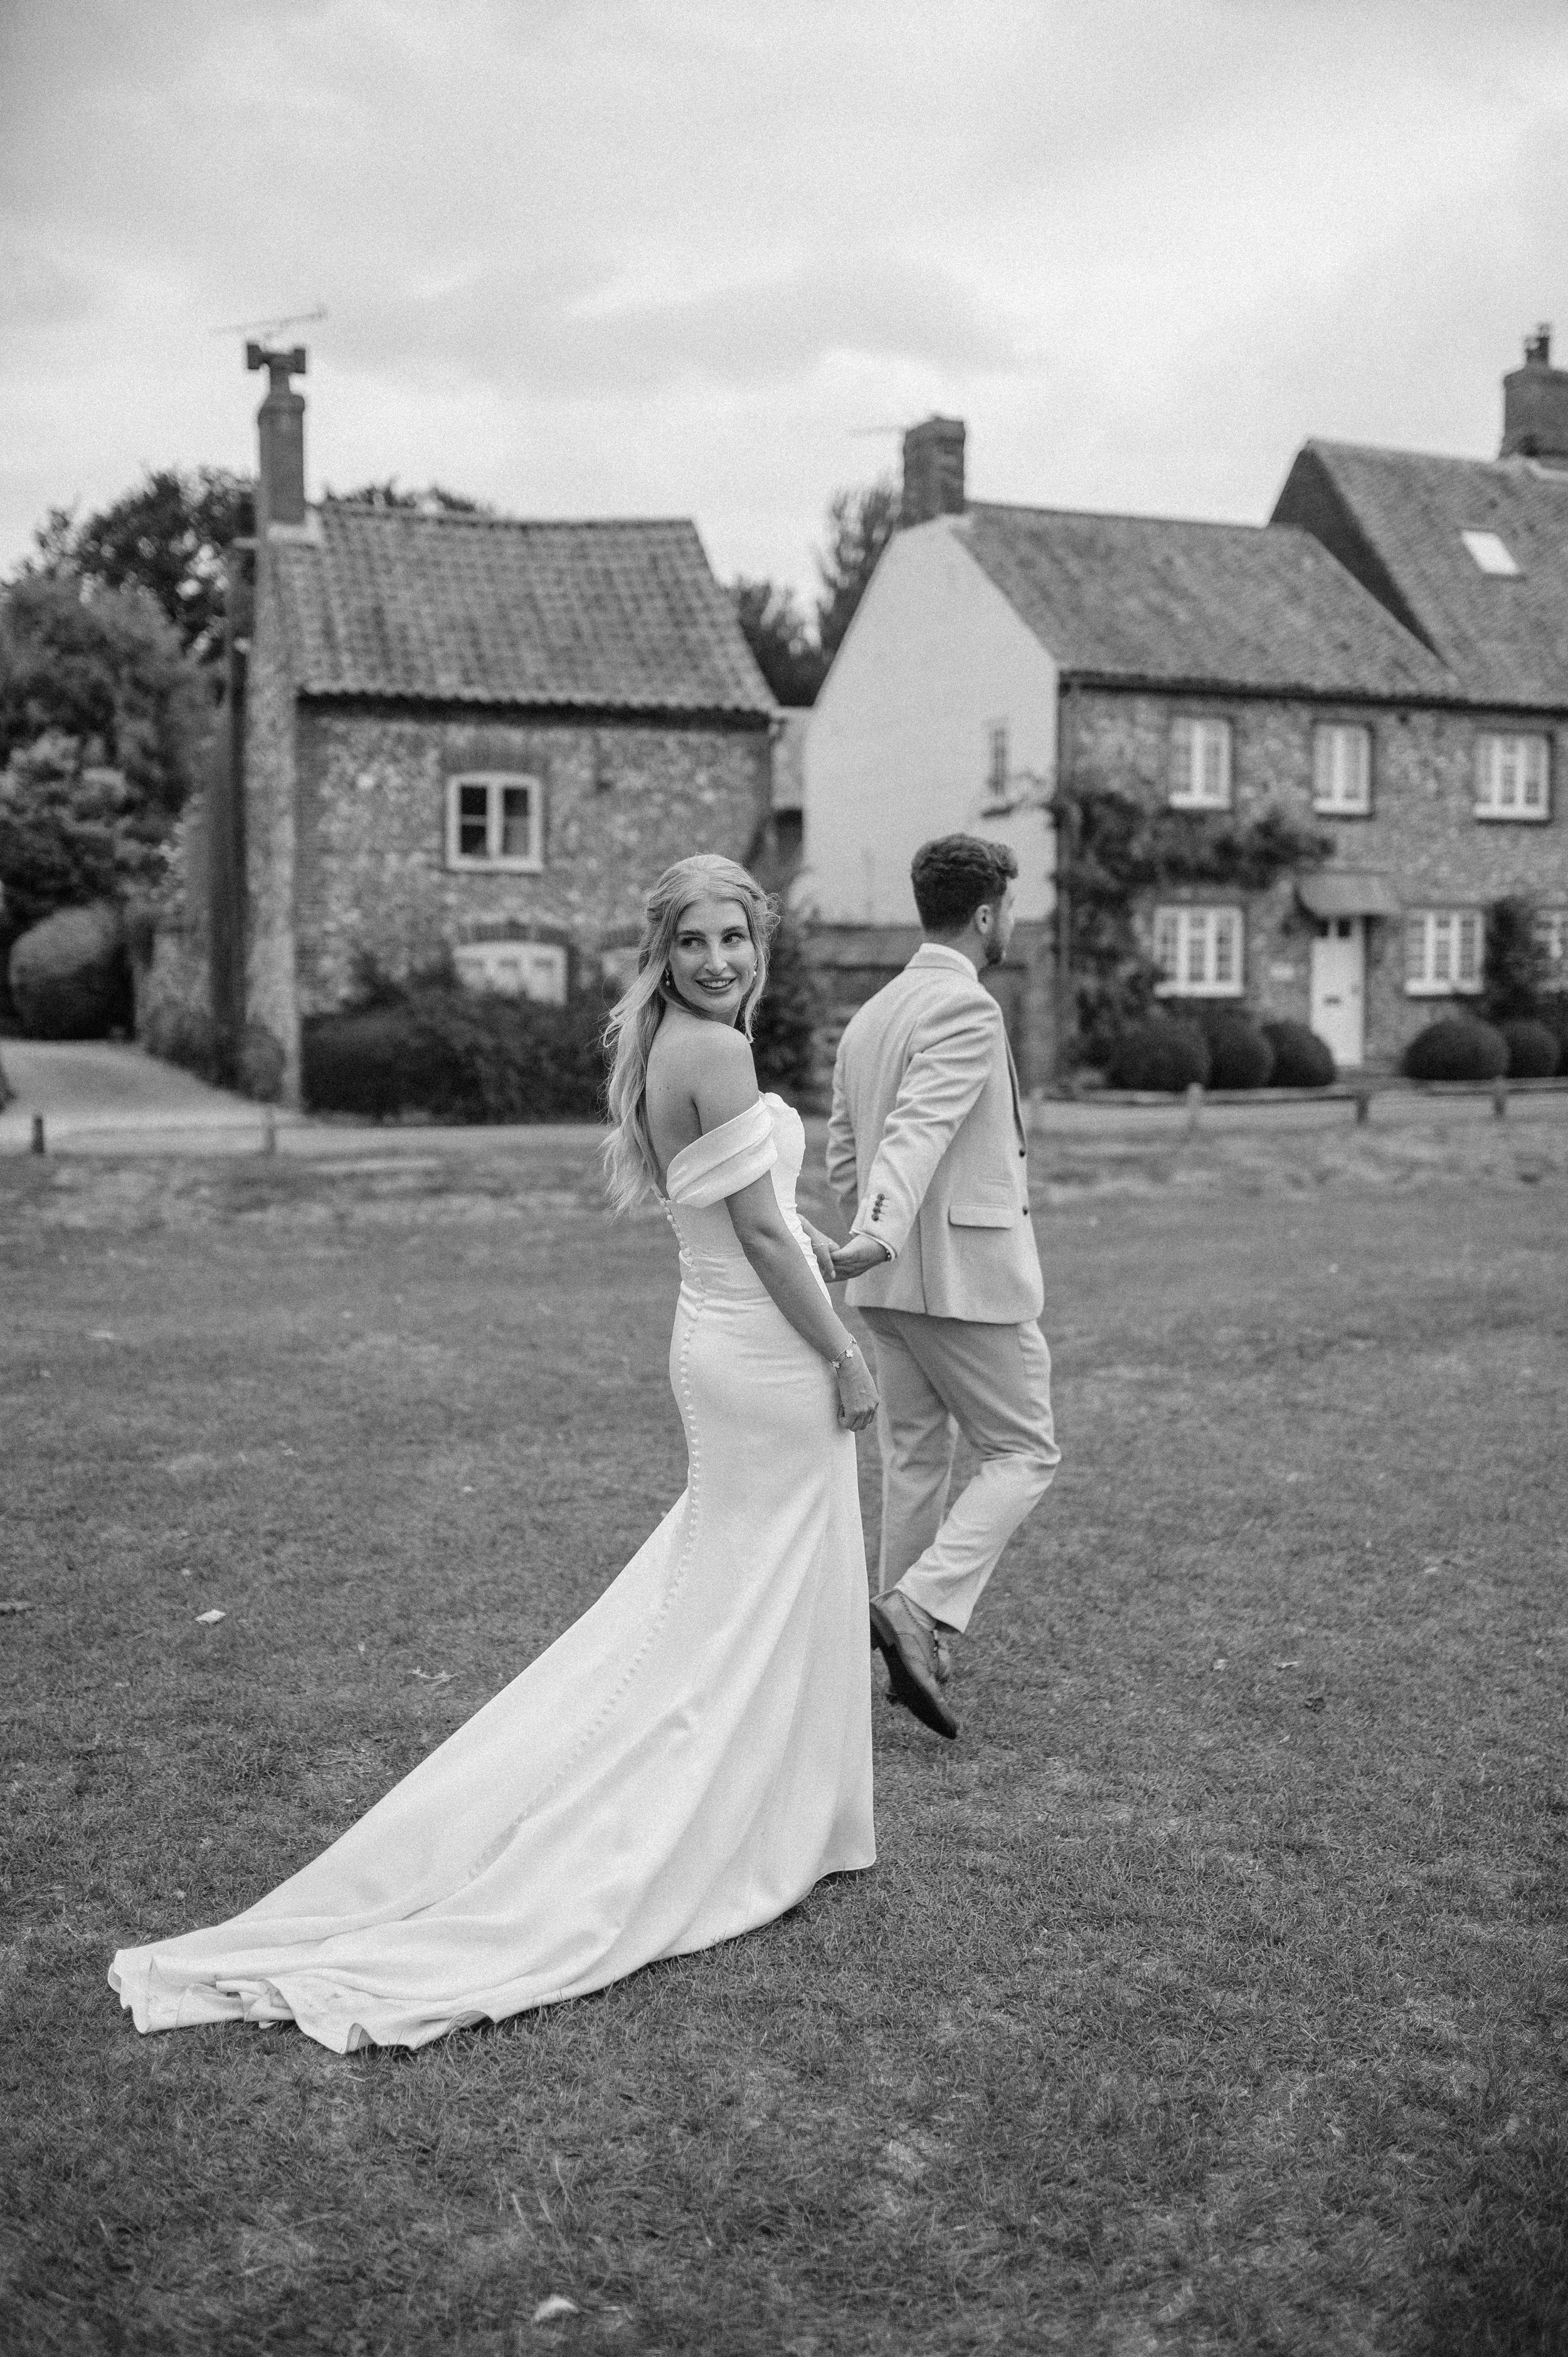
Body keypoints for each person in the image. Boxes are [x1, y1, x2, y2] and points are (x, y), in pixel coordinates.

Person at [109, 855, 878, 2053]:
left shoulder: (685, 1041)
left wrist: (832, 1253)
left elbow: (760, 1214)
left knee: (739, 1591)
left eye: (735, 937)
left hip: (726, 1340)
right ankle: (720, 1823)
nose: (719, 959)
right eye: (695, 943)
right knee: (742, 1599)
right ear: (662, 953)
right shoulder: (715, 1052)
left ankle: (782, 1812)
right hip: (767, 1359)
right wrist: (844, 1353)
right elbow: (764, 1240)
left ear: (758, 944)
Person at [827, 834, 1060, 1741]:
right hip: (962, 1282)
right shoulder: (965, 1009)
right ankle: (918, 1611)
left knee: (918, 1462)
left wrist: (870, 1242)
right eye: (1014, 906)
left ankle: (891, 1640)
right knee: (1024, 1450)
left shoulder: (872, 1013)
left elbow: (851, 1152)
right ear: (987, 913)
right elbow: (917, 1132)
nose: (1017, 920)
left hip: (888, 1290)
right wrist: (882, 1233)